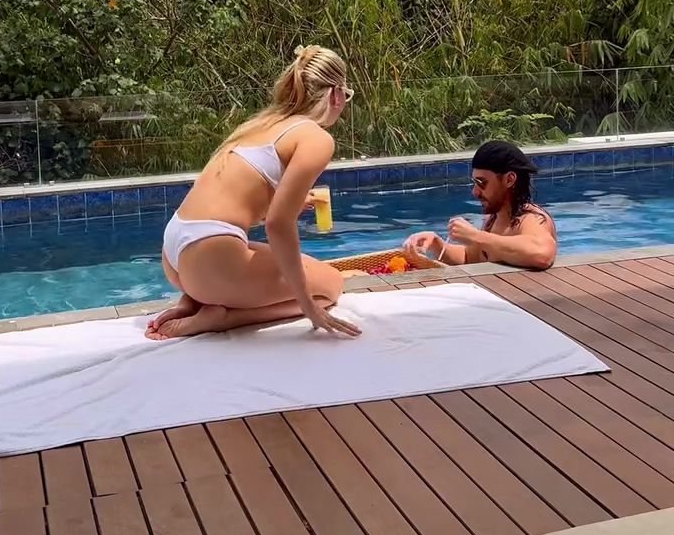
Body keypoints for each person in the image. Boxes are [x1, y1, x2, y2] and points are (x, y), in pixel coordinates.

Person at [146, 45, 362, 340]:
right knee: (330, 286)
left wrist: (291, 203)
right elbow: (278, 225)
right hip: (210, 257)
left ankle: (194, 301)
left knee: (304, 271)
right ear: (336, 94)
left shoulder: (260, 124)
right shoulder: (316, 137)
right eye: (347, 96)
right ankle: (223, 317)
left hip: (176, 249)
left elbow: (239, 202)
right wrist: (307, 305)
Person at [405, 140, 557, 270]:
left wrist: (476, 236)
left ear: (509, 180)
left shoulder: (531, 218)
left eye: (482, 183)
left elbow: (542, 254)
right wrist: (437, 245)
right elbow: (469, 257)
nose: (475, 192)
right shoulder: (493, 218)